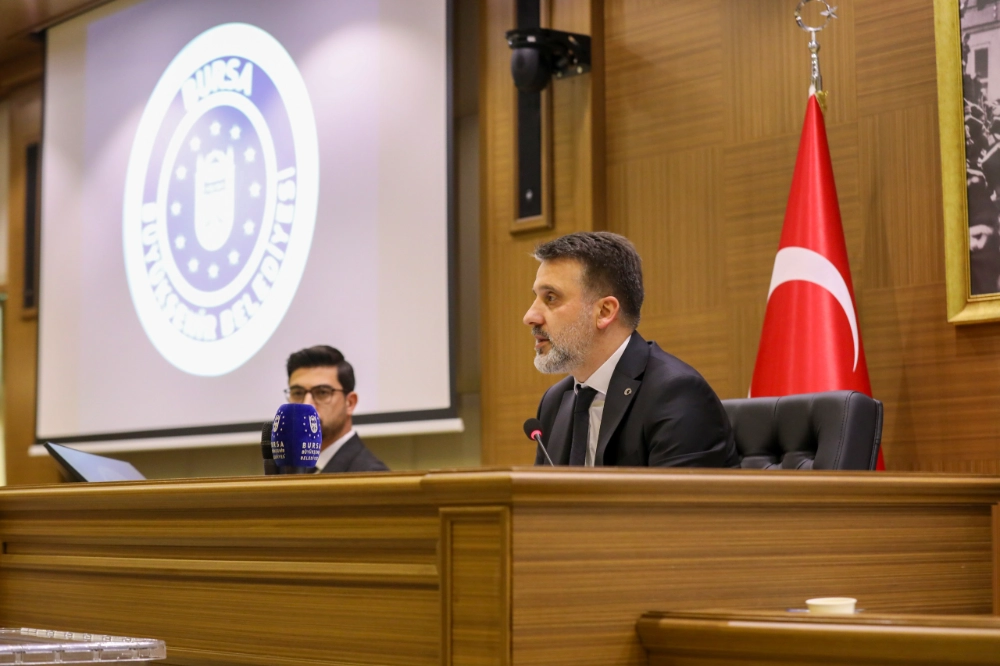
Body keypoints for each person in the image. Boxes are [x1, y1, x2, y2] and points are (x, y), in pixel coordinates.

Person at [523, 232, 740, 468]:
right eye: (536, 298)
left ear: (604, 312)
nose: (530, 317)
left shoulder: (676, 394)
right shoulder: (555, 401)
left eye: (551, 298)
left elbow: (679, 493)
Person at [285, 345, 389, 473]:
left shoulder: (370, 476)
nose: (306, 405)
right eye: (297, 393)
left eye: (322, 392)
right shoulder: (289, 468)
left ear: (350, 403)